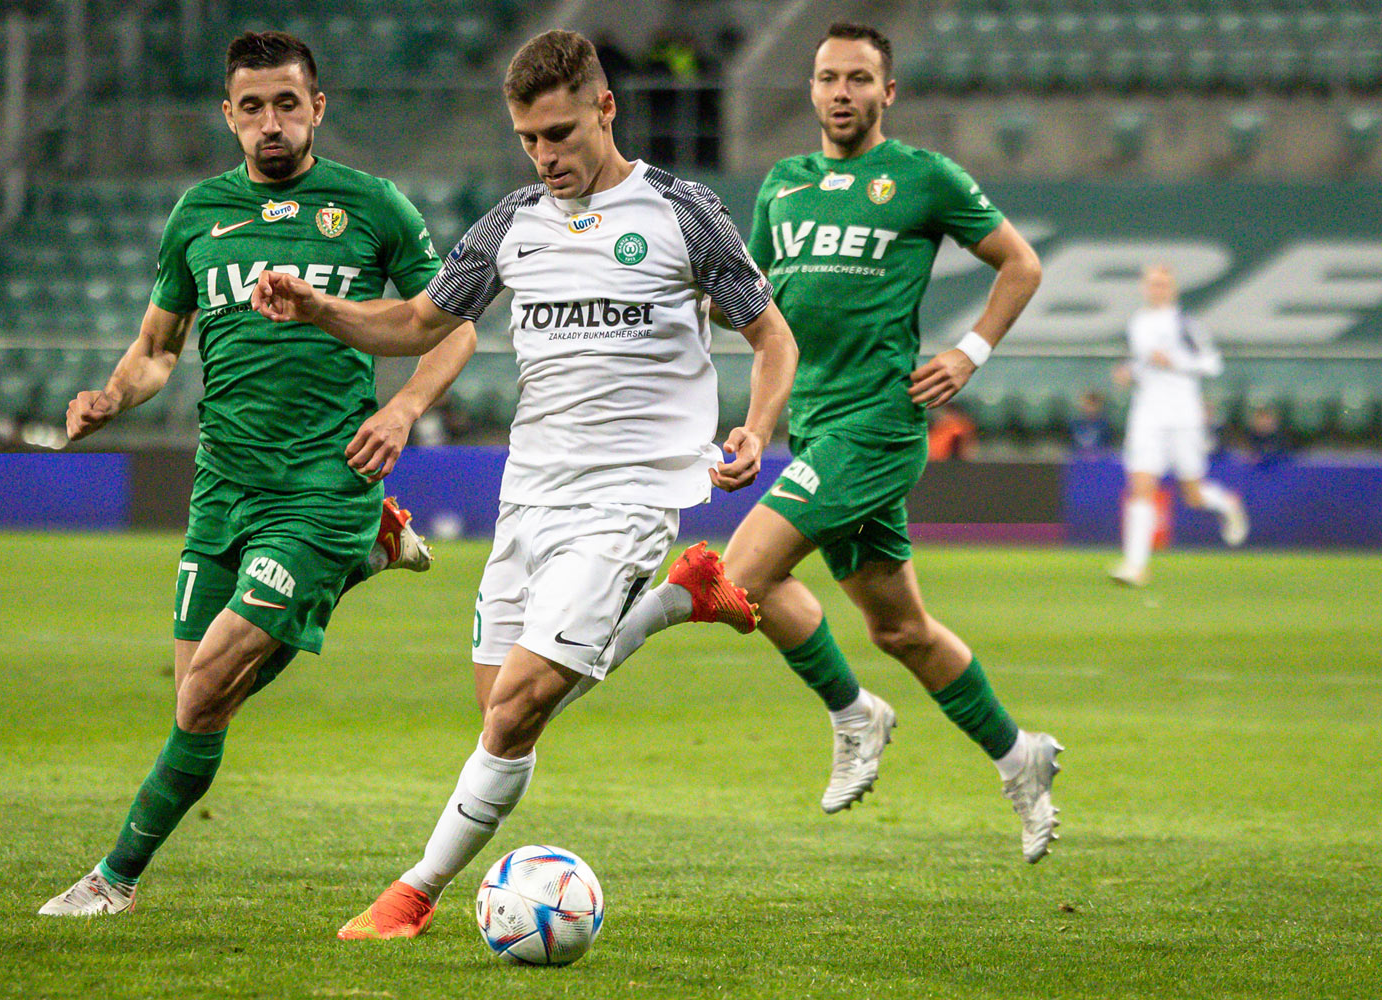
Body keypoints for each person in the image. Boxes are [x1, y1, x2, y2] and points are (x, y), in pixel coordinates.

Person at [252, 29, 798, 938]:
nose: (546, 157)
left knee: (515, 711)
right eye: (529, 140)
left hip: (630, 495)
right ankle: (677, 602)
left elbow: (772, 337)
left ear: (605, 109)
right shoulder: (512, 223)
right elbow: (420, 321)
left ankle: (413, 893)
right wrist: (325, 310)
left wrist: (757, 425)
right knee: (503, 707)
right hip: (530, 493)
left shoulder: (682, 210)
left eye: (560, 133)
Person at [38, 31, 472, 917]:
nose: (270, 123)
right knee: (201, 700)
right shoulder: (198, 214)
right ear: (227, 115)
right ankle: (367, 555)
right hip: (222, 488)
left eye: (286, 104)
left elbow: (452, 324)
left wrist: (402, 410)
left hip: (321, 485)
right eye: (251, 107)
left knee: (202, 694)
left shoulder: (372, 206)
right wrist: (111, 397)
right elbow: (159, 349)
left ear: (318, 106)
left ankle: (113, 879)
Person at [606, 22, 1063, 864]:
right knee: (902, 631)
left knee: (737, 575)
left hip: (879, 426)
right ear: (811, 90)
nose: (841, 92)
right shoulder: (784, 184)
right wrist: (739, 396)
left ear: (888, 92)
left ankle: (851, 713)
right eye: (827, 78)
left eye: (859, 78)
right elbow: (759, 307)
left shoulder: (923, 178)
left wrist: (970, 351)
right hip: (815, 423)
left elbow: (1021, 264)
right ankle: (1016, 755)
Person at [1111, 264, 1248, 587]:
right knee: (1141, 485)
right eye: (1152, 284)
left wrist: (1176, 362)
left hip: (1184, 415)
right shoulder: (1137, 323)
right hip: (1147, 413)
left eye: (1163, 284)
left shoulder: (1186, 324)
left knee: (1193, 493)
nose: (1157, 290)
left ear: (1173, 289)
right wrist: (1129, 371)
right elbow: (1143, 361)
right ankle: (1135, 566)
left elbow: (1213, 364)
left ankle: (1228, 503)